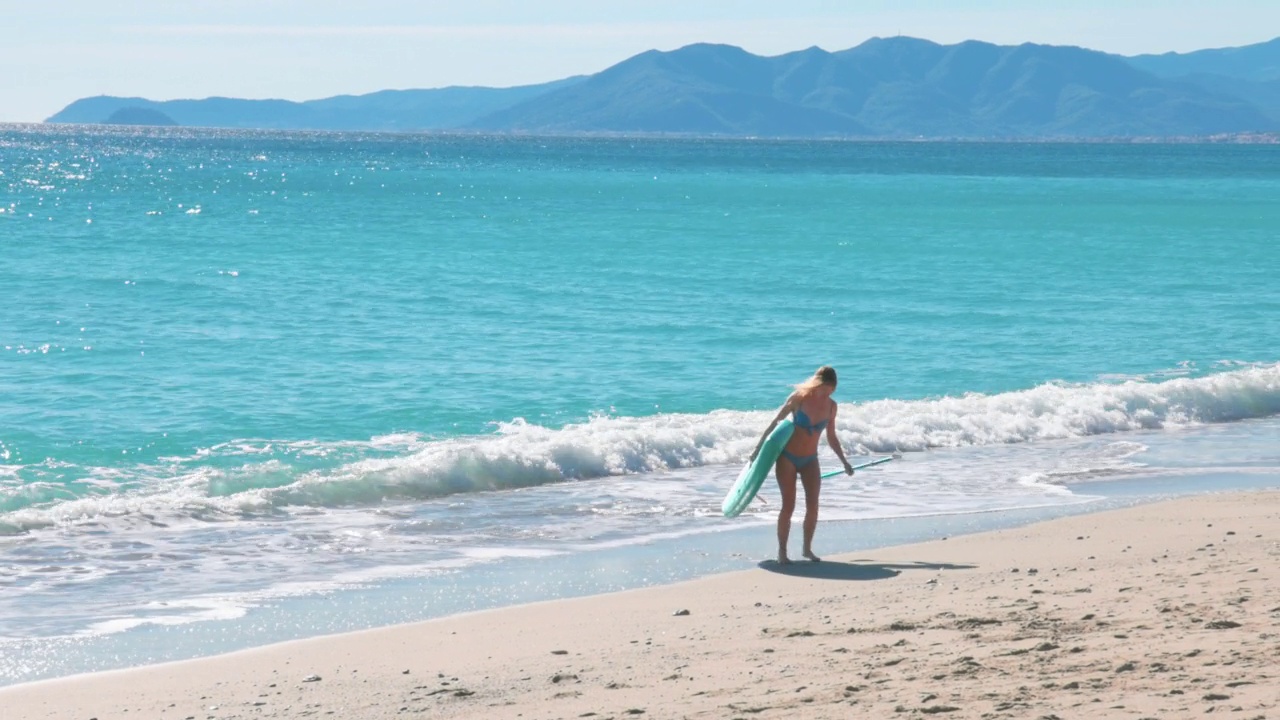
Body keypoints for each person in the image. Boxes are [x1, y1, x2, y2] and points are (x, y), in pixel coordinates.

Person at [749, 365, 854, 564]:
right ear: (821, 383)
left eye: (832, 388)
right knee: (788, 506)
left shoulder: (832, 406)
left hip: (810, 460)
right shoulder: (798, 398)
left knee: (813, 506)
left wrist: (844, 461)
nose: (830, 391)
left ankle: (807, 549)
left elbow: (832, 437)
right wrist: (758, 449)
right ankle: (782, 552)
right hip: (787, 457)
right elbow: (775, 423)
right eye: (828, 387)